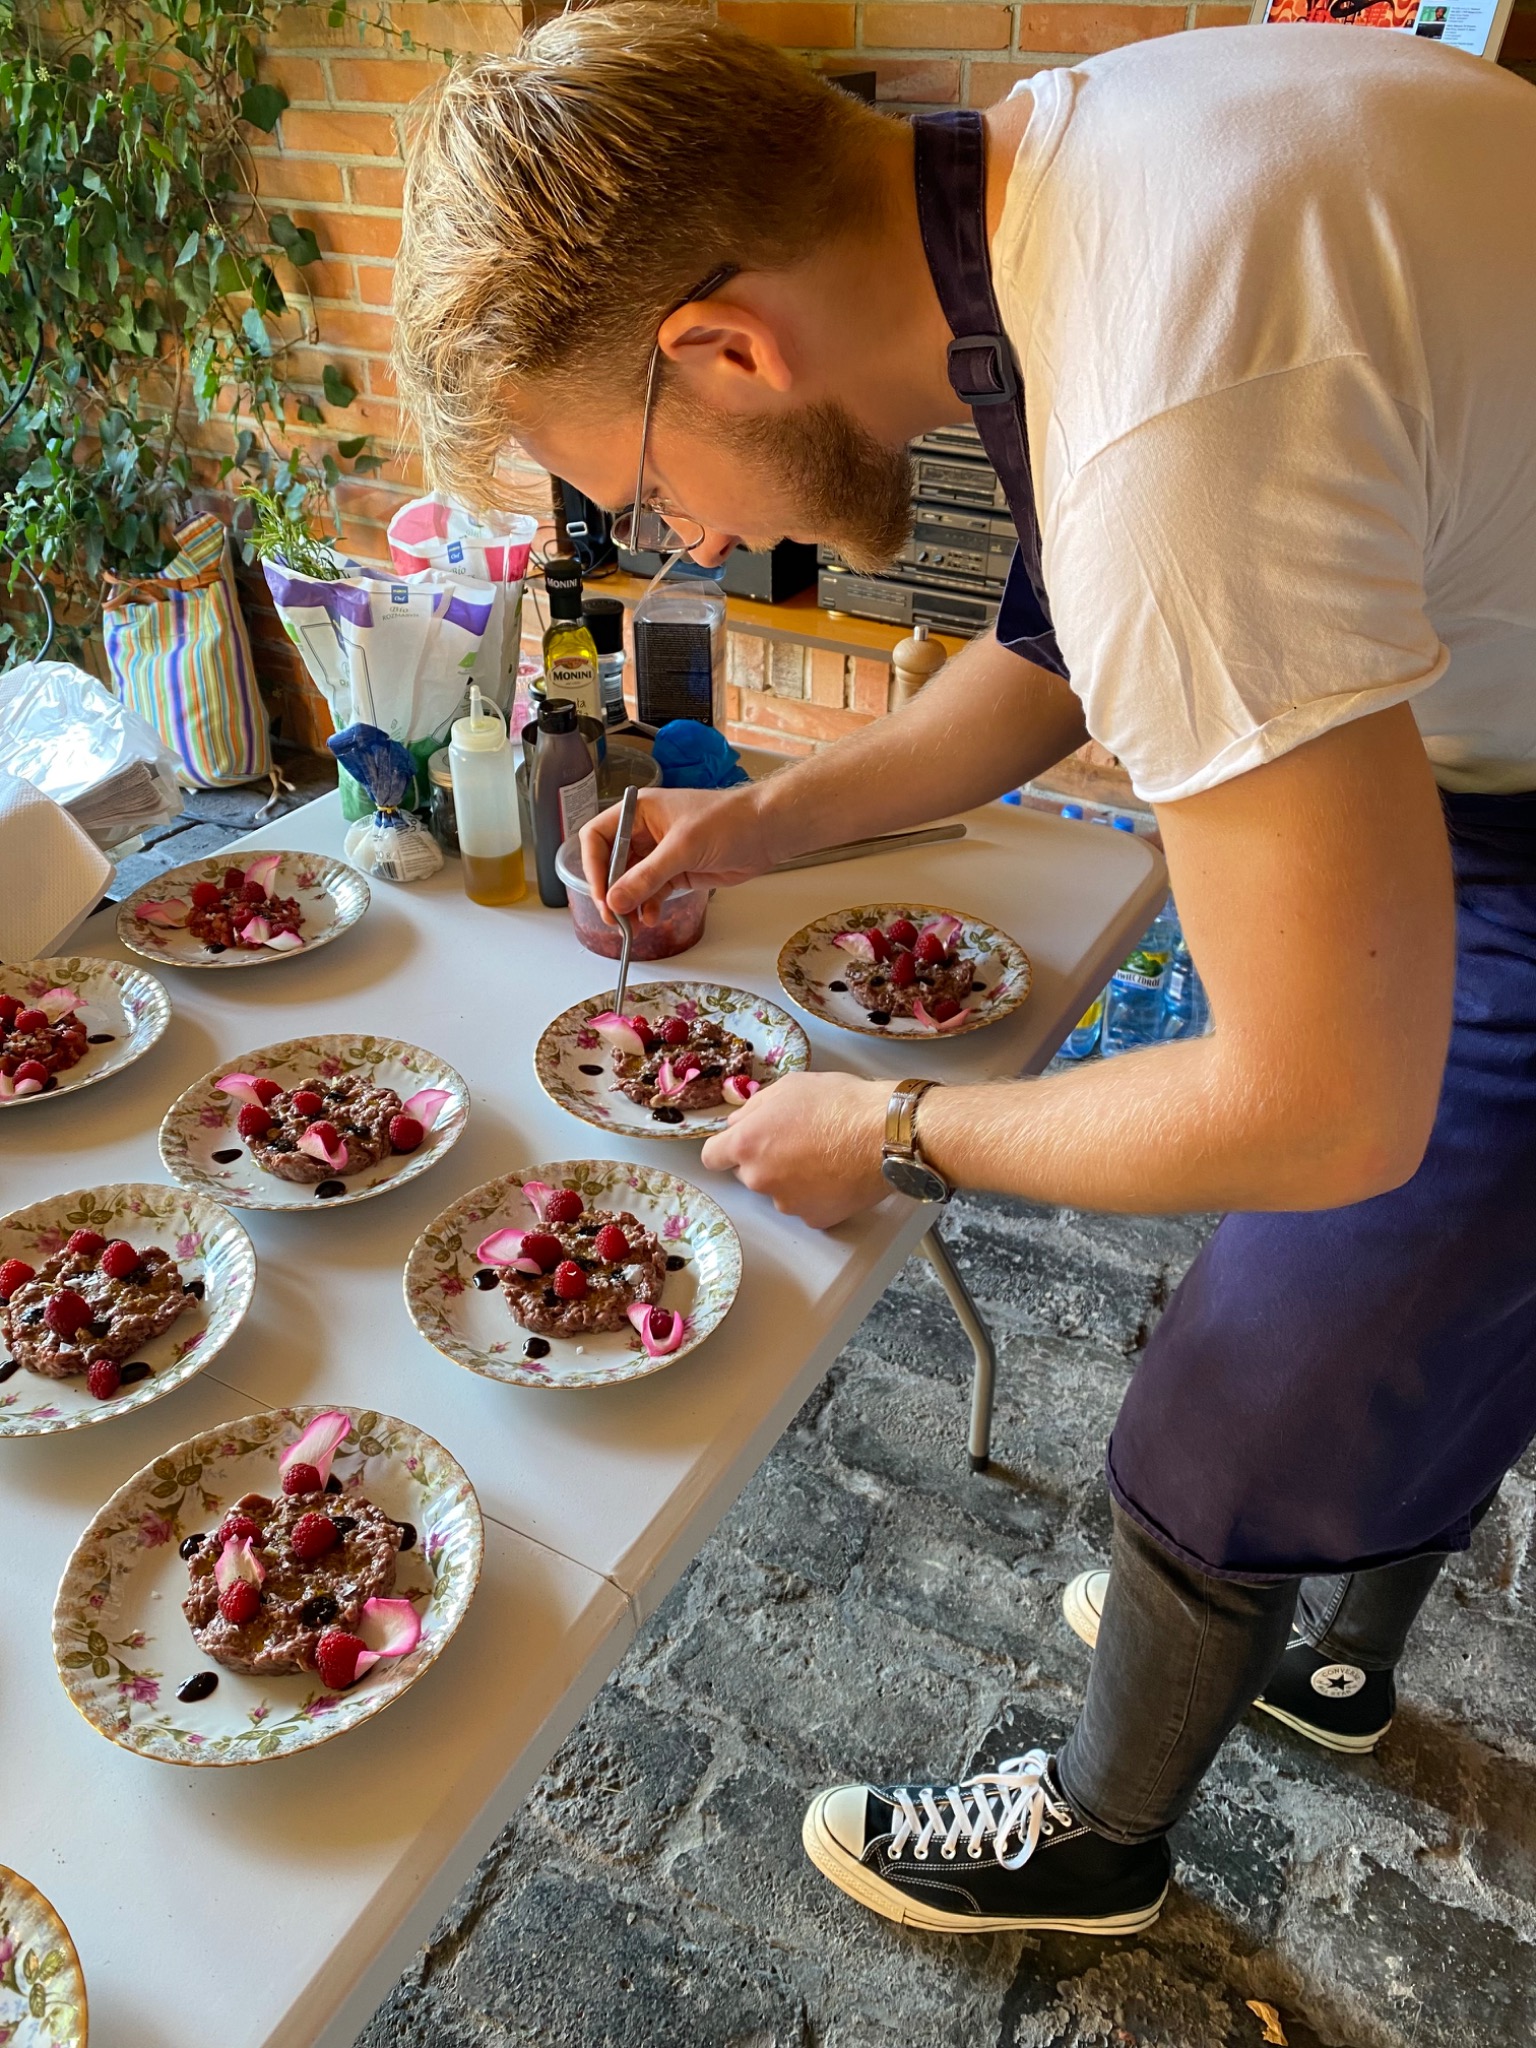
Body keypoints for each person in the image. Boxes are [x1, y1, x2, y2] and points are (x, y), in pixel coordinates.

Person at [391, 9, 1536, 1936]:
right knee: (1438, 1286)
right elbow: (1064, 650)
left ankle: (1098, 1840)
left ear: (723, 350)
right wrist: (752, 823)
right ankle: (1328, 1663)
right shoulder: (1078, 171)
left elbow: (1322, 1101)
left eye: (650, 490)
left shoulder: (1169, 416)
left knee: (1253, 1370)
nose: (692, 541)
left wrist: (901, 1128)